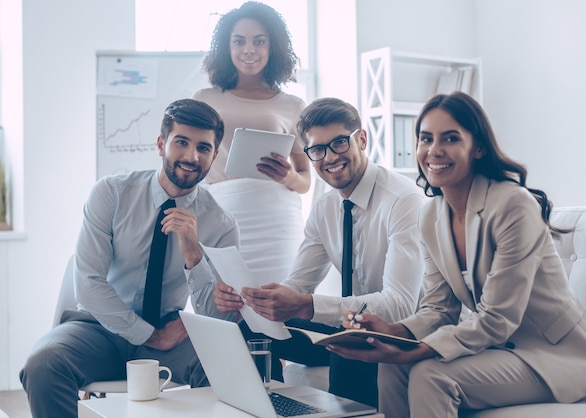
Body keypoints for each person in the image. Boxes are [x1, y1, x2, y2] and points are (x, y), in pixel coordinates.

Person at [327, 92, 586, 417]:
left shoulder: (513, 204)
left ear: (478, 147)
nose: (434, 150)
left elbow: (497, 318)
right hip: (499, 348)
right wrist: (393, 332)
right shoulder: (431, 214)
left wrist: (422, 349)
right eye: (425, 139)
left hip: (557, 354)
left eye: (450, 138)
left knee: (430, 374)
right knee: (392, 366)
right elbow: (438, 308)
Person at [19, 99, 240, 418]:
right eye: (181, 142)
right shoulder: (111, 193)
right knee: (43, 364)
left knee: (226, 365)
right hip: (99, 327)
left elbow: (218, 316)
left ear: (214, 156)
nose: (192, 157)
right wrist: (150, 335)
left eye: (203, 148)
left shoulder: (220, 223)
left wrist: (193, 254)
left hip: (167, 331)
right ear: (161, 143)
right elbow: (89, 285)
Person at [215, 97, 425, 407]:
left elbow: (400, 304)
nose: (329, 157)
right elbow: (299, 284)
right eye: (317, 149)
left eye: (340, 143)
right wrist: (253, 300)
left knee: (349, 349)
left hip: (399, 330)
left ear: (362, 139)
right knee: (252, 330)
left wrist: (306, 305)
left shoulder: (403, 200)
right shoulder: (326, 207)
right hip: (351, 325)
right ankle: (274, 409)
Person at [192, 1, 310, 285]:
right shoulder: (204, 99)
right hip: (221, 210)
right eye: (239, 41)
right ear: (226, 46)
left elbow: (306, 181)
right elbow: (190, 158)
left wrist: (290, 176)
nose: (249, 49)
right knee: (222, 303)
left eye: (259, 41)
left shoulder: (293, 105)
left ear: (273, 47)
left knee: (279, 304)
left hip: (277, 221)